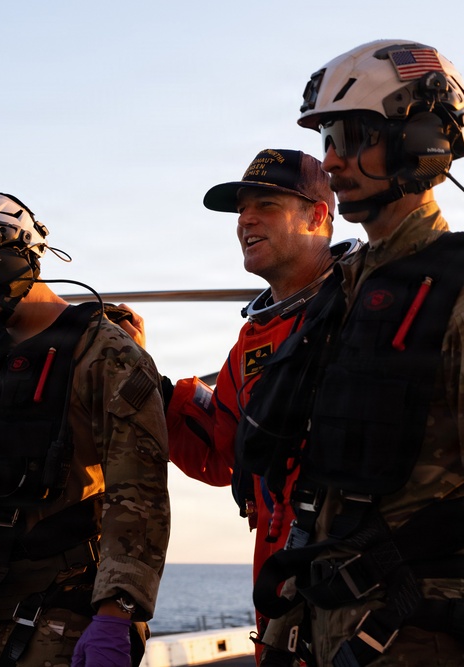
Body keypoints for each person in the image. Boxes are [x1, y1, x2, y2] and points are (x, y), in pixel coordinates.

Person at [240, 40, 464, 665]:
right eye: (327, 138)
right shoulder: (344, 291)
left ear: (418, 140)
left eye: (353, 135)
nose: (331, 160)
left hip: (417, 631)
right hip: (327, 628)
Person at [0, 192, 170, 667]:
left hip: (60, 611)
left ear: (3, 268)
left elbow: (140, 495)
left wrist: (116, 614)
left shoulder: (106, 355)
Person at [119, 148, 350, 646]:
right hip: (282, 597)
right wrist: (144, 375)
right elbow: (221, 455)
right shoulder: (252, 344)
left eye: (266, 205)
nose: (245, 220)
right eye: (241, 210)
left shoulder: (368, 311)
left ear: (317, 215)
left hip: (358, 592)